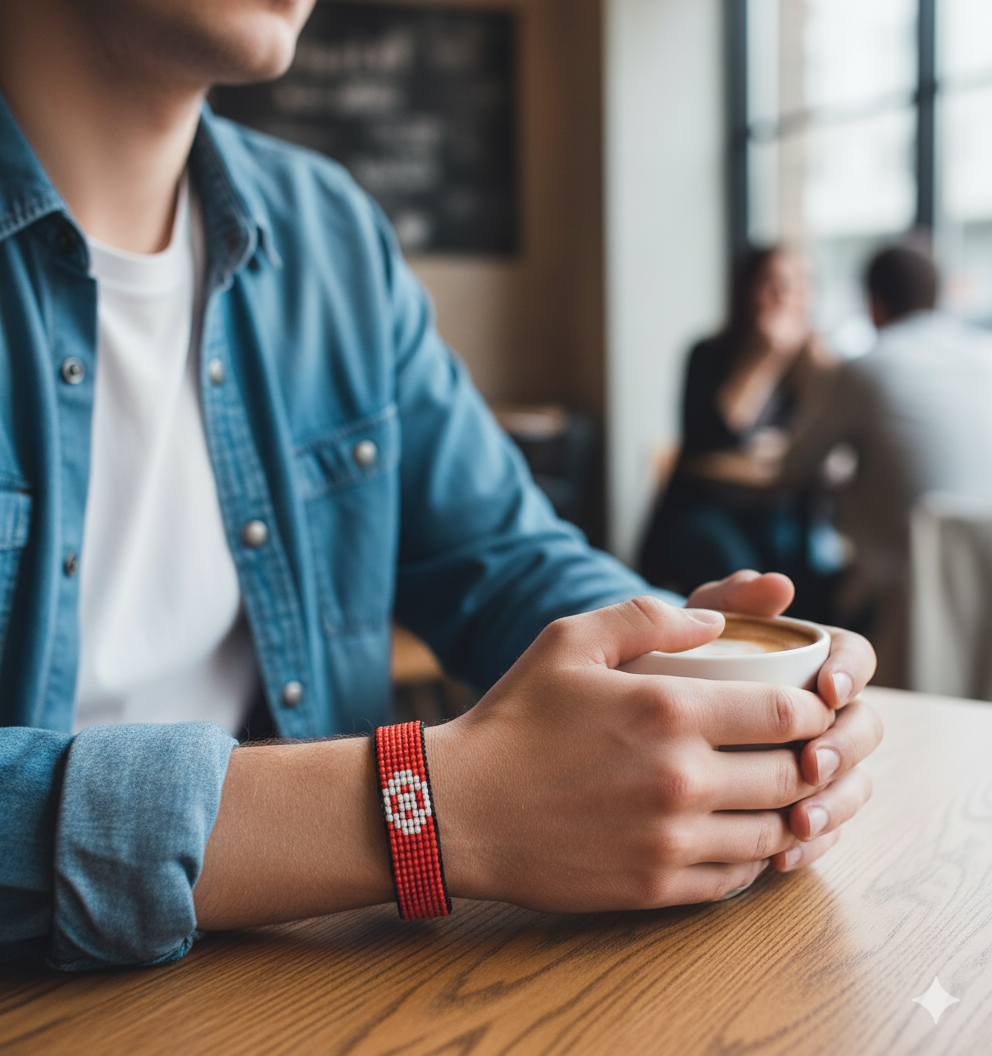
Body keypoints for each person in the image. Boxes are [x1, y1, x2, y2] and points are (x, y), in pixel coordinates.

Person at [0, 0, 881, 972]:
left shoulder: (329, 234)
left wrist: (702, 680)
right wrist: (423, 808)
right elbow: (440, 796)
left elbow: (503, 559)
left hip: (305, 988)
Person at [783, 242, 992, 686]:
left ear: (874, 304)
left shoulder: (866, 368)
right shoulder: (985, 354)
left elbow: (795, 466)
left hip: (898, 600)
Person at [638, 246, 839, 613]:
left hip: (782, 509)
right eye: (771, 284)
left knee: (816, 569)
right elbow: (706, 437)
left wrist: (819, 368)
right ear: (746, 291)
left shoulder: (815, 364)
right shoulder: (706, 354)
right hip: (707, 507)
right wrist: (765, 358)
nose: (784, 297)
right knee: (738, 574)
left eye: (797, 286)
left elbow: (825, 443)